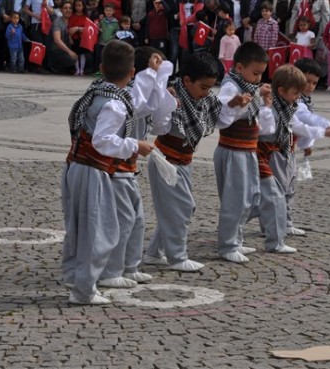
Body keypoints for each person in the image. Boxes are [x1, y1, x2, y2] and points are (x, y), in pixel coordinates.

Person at [62, 40, 161, 304]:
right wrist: (134, 145)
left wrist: (151, 74)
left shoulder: (97, 89)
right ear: (131, 74)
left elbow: (137, 102)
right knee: (99, 231)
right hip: (93, 169)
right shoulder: (115, 104)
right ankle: (83, 290)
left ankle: (74, 275)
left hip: (77, 165)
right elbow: (102, 141)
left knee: (80, 228)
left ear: (102, 68)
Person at [144, 52, 238, 272]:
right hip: (165, 160)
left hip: (183, 160)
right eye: (204, 87)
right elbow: (158, 125)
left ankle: (153, 253)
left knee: (177, 208)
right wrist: (166, 101)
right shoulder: (171, 95)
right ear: (187, 80)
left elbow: (220, 118)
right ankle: (177, 257)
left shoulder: (204, 98)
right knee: (182, 208)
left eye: (210, 87)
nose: (207, 92)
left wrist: (233, 104)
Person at [98, 46, 177, 286]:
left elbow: (159, 119)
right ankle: (111, 271)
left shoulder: (141, 92)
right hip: (115, 166)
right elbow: (140, 103)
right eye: (155, 64)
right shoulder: (125, 94)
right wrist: (152, 75)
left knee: (137, 219)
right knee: (122, 220)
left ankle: (130, 266)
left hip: (129, 168)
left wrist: (159, 80)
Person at [214, 41, 271, 264]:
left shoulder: (248, 86)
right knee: (234, 200)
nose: (258, 78)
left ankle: (236, 239)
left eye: (261, 74)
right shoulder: (231, 87)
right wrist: (253, 96)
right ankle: (227, 244)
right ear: (239, 67)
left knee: (249, 197)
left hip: (248, 150)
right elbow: (222, 116)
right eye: (255, 73)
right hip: (232, 150)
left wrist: (261, 100)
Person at [249, 64, 309, 253]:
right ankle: (273, 240)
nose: (298, 96)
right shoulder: (272, 107)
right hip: (269, 155)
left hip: (283, 153)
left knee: (278, 195)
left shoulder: (287, 107)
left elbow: (295, 127)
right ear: (282, 91)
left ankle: (272, 233)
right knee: (273, 198)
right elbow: (266, 131)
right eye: (295, 92)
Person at [291, 57, 330, 235]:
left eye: (314, 83)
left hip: (288, 149)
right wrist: (325, 126)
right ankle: (273, 224)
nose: (310, 86)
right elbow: (305, 120)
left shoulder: (304, 100)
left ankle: (284, 223)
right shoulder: (292, 99)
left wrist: (306, 144)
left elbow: (305, 124)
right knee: (276, 191)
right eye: (307, 81)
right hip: (274, 150)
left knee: (288, 189)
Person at [23, 0, 54, 73]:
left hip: (46, 23)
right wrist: (35, 16)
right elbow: (25, 9)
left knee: (46, 44)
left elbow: (52, 11)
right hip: (36, 22)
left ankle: (45, 65)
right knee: (38, 44)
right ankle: (37, 66)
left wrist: (46, 6)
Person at [49, 0, 77, 74]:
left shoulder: (73, 20)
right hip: (57, 50)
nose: (68, 10)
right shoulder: (57, 22)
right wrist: (70, 52)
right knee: (70, 60)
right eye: (65, 8)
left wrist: (78, 28)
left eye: (70, 8)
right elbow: (57, 40)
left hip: (67, 48)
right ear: (61, 10)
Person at [68, 0, 89, 75]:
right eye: (76, 6)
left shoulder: (86, 16)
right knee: (75, 54)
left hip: (83, 38)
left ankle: (82, 70)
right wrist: (70, 38)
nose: (78, 7)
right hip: (74, 38)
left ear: (83, 6)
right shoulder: (72, 16)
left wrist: (79, 28)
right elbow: (69, 28)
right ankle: (77, 70)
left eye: (80, 5)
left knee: (82, 54)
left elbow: (88, 28)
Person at [96, 3, 119, 69]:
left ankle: (108, 70)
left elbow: (117, 32)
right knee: (100, 57)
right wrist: (98, 28)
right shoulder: (102, 21)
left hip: (110, 43)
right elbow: (99, 29)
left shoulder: (115, 22)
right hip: (101, 42)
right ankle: (100, 71)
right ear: (104, 11)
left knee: (108, 57)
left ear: (113, 12)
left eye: (110, 10)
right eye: (107, 10)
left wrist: (112, 38)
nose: (108, 12)